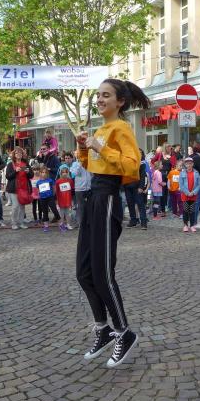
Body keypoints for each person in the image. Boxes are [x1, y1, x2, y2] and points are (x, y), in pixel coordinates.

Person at [74, 78, 147, 368]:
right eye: (98, 95)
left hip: (107, 199)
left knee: (103, 273)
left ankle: (124, 332)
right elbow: (90, 165)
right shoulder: (101, 130)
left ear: (120, 101)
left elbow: (132, 165)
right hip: (93, 198)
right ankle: (103, 329)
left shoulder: (122, 128)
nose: (100, 100)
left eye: (106, 95)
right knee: (83, 273)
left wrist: (99, 147)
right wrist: (84, 148)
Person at [4, 146, 34, 230]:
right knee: (15, 206)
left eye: (20, 153)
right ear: (14, 155)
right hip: (14, 188)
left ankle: (21, 223)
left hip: (24, 188)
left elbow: (31, 175)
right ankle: (14, 223)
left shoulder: (26, 164)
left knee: (22, 206)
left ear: (22, 154)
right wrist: (15, 171)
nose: (18, 154)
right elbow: (8, 176)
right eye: (16, 153)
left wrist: (28, 172)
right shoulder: (11, 164)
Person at [179, 157, 200, 232]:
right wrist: (187, 193)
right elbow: (181, 185)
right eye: (187, 164)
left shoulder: (196, 173)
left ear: (193, 164)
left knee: (192, 210)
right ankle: (185, 225)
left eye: (190, 163)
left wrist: (194, 192)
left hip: (193, 195)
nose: (189, 165)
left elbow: (199, 184)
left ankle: (192, 225)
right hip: (185, 195)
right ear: (185, 164)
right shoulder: (182, 173)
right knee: (185, 210)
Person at [71, 155, 91, 226]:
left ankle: (89, 222)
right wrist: (80, 164)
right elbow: (75, 173)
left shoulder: (90, 162)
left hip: (89, 188)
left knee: (89, 206)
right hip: (79, 188)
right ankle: (81, 223)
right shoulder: (75, 164)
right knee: (80, 206)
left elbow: (92, 174)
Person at [35, 166, 58, 231]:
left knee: (54, 210)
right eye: (42, 172)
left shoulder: (50, 180)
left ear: (47, 173)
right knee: (45, 212)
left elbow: (54, 188)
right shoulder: (38, 182)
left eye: (45, 172)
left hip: (50, 197)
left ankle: (61, 223)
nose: (44, 174)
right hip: (42, 198)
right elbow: (38, 190)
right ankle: (46, 226)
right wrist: (40, 195)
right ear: (40, 173)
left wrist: (52, 195)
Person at [55, 164, 74, 231]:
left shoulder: (70, 181)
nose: (64, 173)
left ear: (68, 173)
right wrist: (57, 201)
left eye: (66, 172)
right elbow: (56, 191)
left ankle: (68, 224)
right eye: (63, 172)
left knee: (68, 213)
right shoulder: (58, 181)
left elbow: (72, 190)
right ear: (60, 173)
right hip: (61, 200)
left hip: (68, 199)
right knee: (62, 214)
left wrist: (71, 200)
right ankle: (62, 224)